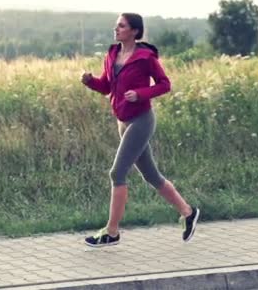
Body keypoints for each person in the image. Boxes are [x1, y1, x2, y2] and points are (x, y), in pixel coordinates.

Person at [81, 13, 200, 247]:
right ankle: (188, 213)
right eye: (116, 25)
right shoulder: (112, 54)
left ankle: (112, 232)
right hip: (122, 121)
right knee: (151, 176)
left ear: (134, 31)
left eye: (121, 26)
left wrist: (141, 94)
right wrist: (90, 81)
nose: (116, 29)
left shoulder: (145, 57)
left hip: (141, 120)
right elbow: (107, 86)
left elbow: (165, 84)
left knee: (117, 173)